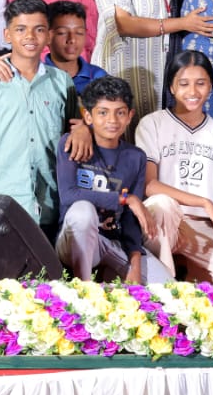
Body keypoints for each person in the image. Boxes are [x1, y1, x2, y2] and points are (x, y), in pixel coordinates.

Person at [0, 0, 88, 229]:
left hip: (50, 204)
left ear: (49, 36)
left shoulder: (62, 83)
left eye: (39, 29)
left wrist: (83, 131)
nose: (30, 36)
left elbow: (72, 134)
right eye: (20, 29)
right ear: (7, 35)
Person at [138, 50, 213, 281]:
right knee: (161, 203)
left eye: (200, 83)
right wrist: (204, 202)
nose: (192, 92)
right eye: (183, 84)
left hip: (203, 225)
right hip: (163, 220)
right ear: (171, 87)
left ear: (211, 86)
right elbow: (150, 186)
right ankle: (163, 293)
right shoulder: (152, 123)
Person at [55, 76, 166, 284]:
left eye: (120, 112)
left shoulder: (136, 157)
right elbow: (69, 195)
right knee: (83, 210)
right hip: (71, 240)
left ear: (130, 116)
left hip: (109, 241)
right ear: (88, 116)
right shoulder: (71, 144)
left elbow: (129, 220)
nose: (112, 120)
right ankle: (83, 288)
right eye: (103, 112)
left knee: (167, 287)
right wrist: (125, 199)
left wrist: (135, 262)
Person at [44, 1, 108, 94]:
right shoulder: (35, 77)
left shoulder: (99, 77)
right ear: (46, 36)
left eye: (79, 33)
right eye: (62, 33)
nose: (72, 39)